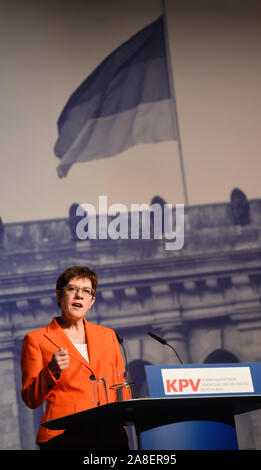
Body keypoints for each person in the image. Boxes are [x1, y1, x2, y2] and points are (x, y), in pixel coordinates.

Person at [21, 266, 129, 450]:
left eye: (86, 291)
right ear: (58, 295)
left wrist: (123, 420)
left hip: (111, 435)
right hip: (64, 437)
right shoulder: (36, 340)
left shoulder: (108, 336)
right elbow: (31, 398)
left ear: (92, 301)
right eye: (72, 289)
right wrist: (51, 371)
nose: (79, 295)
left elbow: (120, 384)